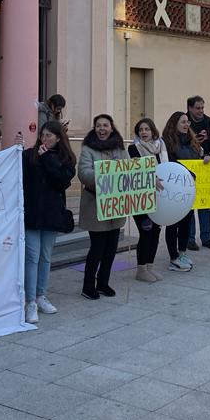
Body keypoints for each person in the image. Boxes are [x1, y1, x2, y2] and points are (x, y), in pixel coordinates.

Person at [22, 121, 75, 320]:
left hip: (52, 214)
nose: (44, 139)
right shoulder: (29, 155)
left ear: (58, 138)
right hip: (32, 214)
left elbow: (61, 181)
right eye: (42, 135)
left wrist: (47, 159)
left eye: (49, 135)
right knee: (32, 257)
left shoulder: (66, 159)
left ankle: (41, 295)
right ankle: (30, 302)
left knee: (45, 256)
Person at [77, 114, 128, 299]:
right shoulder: (87, 149)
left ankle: (103, 283)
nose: (102, 129)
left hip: (115, 205)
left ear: (111, 128)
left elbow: (129, 168)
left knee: (111, 249)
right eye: (98, 125)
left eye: (105, 125)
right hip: (96, 206)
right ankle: (88, 286)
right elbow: (84, 173)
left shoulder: (120, 148)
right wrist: (107, 170)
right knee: (97, 249)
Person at [127, 118, 167, 282]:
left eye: (147, 129)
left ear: (153, 131)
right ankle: (141, 269)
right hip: (140, 197)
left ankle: (150, 267)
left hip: (157, 197)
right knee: (146, 231)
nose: (143, 132)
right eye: (140, 130)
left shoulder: (161, 147)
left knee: (156, 231)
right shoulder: (133, 148)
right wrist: (152, 178)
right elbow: (137, 169)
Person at [163, 111, 203, 271]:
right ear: (175, 124)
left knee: (187, 222)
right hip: (174, 189)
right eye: (183, 122)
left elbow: (197, 160)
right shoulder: (167, 142)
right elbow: (169, 162)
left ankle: (182, 253)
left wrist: (204, 158)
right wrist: (186, 172)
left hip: (189, 188)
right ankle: (173, 257)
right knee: (173, 223)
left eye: (188, 122)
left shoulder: (192, 141)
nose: (186, 125)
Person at [185, 95, 210, 250]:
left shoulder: (209, 121)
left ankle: (207, 238)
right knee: (190, 205)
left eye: (202, 108)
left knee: (205, 204)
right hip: (191, 166)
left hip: (207, 167)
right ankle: (190, 239)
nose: (201, 111)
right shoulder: (184, 122)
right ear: (190, 108)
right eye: (198, 108)